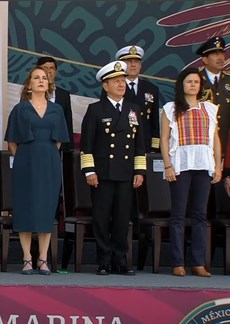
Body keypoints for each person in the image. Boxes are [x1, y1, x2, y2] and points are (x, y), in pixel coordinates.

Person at [80, 61, 146, 276]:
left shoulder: (133, 109)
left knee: (121, 219)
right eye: (116, 81)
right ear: (105, 85)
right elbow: (87, 144)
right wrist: (89, 171)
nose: (121, 85)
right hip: (102, 174)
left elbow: (139, 144)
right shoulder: (95, 109)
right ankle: (104, 261)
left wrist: (139, 171)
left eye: (123, 81)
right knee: (101, 218)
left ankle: (121, 260)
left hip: (126, 173)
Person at [4, 66, 69, 275]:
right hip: (25, 163)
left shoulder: (56, 109)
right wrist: (25, 157)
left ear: (48, 84)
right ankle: (26, 258)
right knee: (25, 209)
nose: (41, 81)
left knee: (45, 210)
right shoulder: (20, 109)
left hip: (49, 163)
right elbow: (12, 142)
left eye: (44, 78)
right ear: (29, 84)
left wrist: (45, 154)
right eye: (36, 78)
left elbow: (59, 142)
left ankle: (43, 258)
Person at [160, 68, 220, 277]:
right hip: (180, 165)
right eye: (189, 82)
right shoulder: (171, 109)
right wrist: (168, 165)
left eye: (196, 82)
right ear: (181, 85)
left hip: (203, 164)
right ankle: (178, 262)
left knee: (200, 214)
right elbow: (165, 140)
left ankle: (198, 262)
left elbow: (215, 139)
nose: (193, 85)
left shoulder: (209, 109)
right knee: (178, 214)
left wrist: (218, 166)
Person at [109, 45, 161, 153]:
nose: (133, 65)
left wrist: (154, 147)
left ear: (140, 65)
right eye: (129, 61)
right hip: (120, 144)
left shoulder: (151, 89)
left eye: (136, 61)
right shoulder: (112, 87)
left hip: (144, 145)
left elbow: (154, 122)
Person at [196, 36, 230, 152]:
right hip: (202, 144)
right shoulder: (195, 79)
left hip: (226, 144)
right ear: (205, 59)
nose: (221, 58)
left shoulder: (228, 79)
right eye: (215, 54)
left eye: (222, 53)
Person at [36, 56, 73, 151]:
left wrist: (69, 150)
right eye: (45, 67)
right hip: (35, 146)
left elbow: (67, 124)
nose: (49, 71)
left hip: (58, 148)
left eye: (52, 68)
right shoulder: (29, 93)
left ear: (55, 72)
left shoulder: (64, 95)